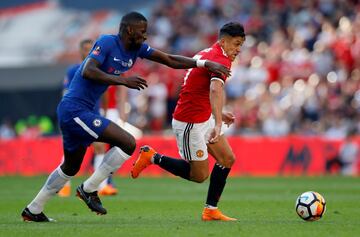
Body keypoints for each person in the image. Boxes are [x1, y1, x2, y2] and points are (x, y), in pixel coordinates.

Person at [21, 11, 230, 222]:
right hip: (74, 110)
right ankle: (89, 189)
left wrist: (203, 64)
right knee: (128, 142)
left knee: (70, 167)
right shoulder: (107, 42)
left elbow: (168, 59)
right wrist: (122, 81)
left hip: (82, 112)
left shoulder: (137, 48)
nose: (145, 36)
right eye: (142, 31)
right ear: (129, 30)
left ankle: (34, 209)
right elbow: (88, 71)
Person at [131, 22, 245, 221]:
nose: (238, 50)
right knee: (199, 175)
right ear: (224, 41)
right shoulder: (220, 59)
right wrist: (218, 122)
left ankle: (210, 210)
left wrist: (217, 112)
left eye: (240, 45)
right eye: (236, 44)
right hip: (189, 121)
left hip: (202, 115)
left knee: (227, 159)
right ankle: (152, 157)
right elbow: (214, 90)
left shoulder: (209, 52)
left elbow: (198, 88)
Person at [58, 39, 118, 197]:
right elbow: (66, 93)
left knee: (100, 147)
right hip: (76, 114)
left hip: (94, 114)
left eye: (90, 49)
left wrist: (104, 112)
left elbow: (104, 92)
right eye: (85, 49)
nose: (87, 52)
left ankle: (102, 186)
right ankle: (64, 185)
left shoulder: (100, 69)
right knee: (71, 150)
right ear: (80, 51)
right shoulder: (73, 70)